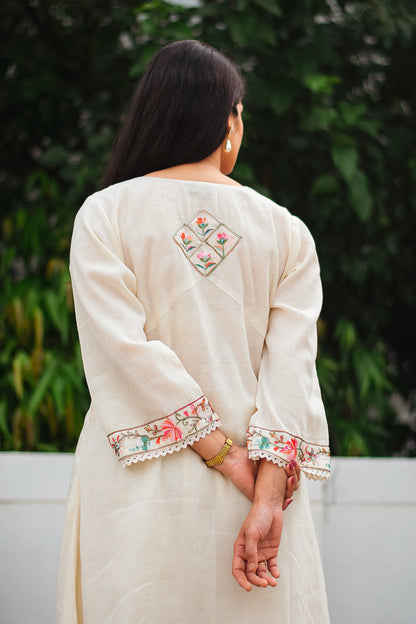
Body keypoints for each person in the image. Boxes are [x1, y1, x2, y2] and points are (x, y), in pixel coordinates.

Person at [55, 40, 331, 623]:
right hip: (261, 491)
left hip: (145, 484)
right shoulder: (287, 232)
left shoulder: (105, 215)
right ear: (228, 120)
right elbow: (292, 370)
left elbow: (124, 353)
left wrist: (224, 458)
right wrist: (263, 492)